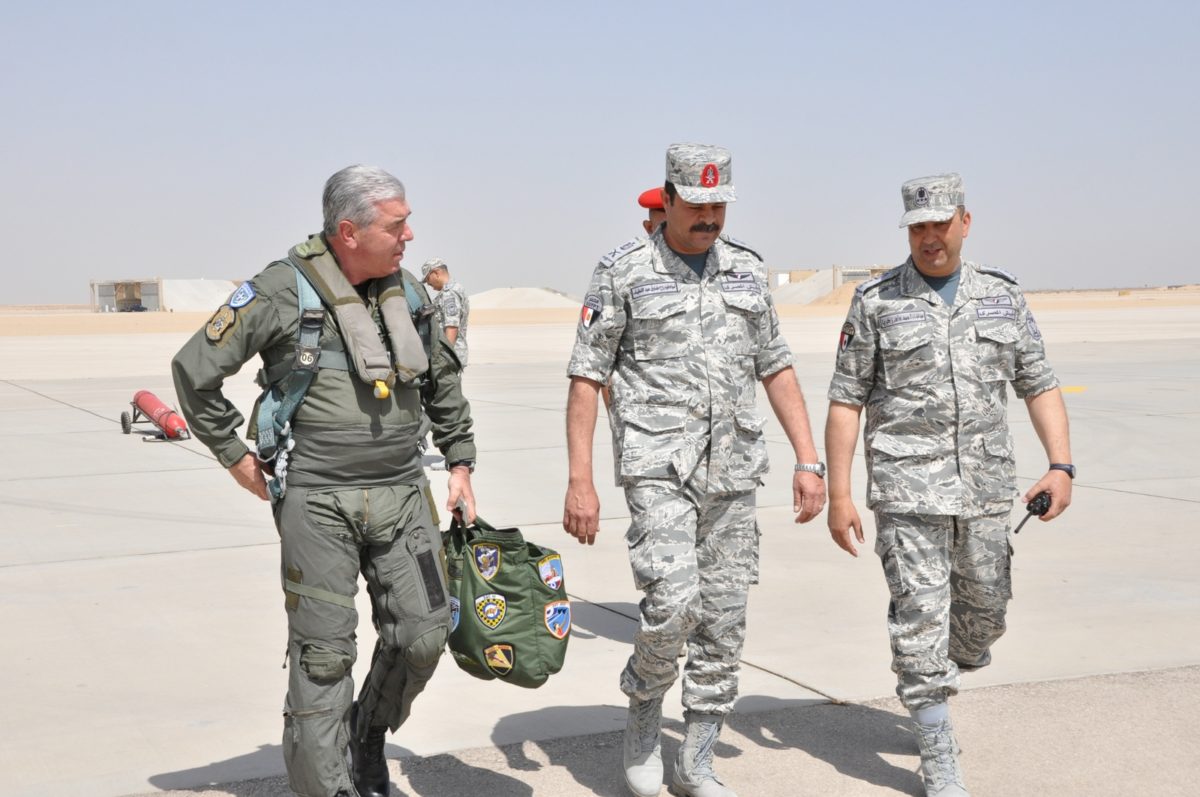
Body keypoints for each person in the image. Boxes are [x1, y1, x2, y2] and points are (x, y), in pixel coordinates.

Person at [171, 165, 478, 797]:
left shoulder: (410, 294)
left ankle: (367, 732)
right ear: (348, 231)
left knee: (424, 636)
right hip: (318, 500)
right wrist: (234, 456)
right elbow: (194, 372)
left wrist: (460, 461)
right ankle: (328, 786)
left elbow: (441, 379)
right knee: (324, 657)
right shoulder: (278, 291)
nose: (409, 236)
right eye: (397, 225)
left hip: (403, 493)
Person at [563, 143, 826, 797]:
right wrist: (580, 479)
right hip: (659, 468)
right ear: (670, 197)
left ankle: (697, 758)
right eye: (698, 206)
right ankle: (645, 710)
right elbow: (587, 376)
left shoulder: (747, 270)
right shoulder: (623, 271)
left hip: (733, 469)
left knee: (722, 619)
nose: (709, 218)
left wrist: (808, 458)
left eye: (719, 206)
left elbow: (775, 364)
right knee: (673, 604)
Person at [824, 173, 1074, 797]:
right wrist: (840, 494)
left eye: (940, 223)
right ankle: (938, 751)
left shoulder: (1001, 297)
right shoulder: (877, 301)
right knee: (919, 618)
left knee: (985, 613)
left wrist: (1061, 465)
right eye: (918, 227)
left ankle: (943, 670)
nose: (929, 237)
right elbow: (846, 400)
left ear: (965, 222)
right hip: (906, 491)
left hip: (985, 490)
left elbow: (1038, 383)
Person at [421, 257, 470, 368]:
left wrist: (445, 357)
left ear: (436, 273)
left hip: (449, 356)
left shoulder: (449, 293)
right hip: (451, 354)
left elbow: (452, 326)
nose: (428, 283)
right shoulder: (453, 289)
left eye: (428, 278)